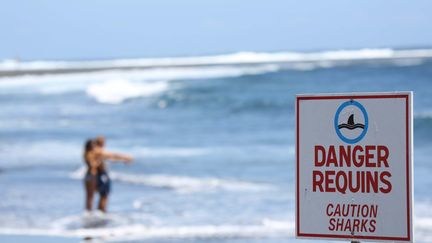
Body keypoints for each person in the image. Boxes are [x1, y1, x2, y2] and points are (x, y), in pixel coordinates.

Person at [83, 137, 133, 212]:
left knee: (90, 198)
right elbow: (112, 155)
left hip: (88, 176)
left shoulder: (86, 153)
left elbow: (111, 157)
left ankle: (89, 214)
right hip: (94, 176)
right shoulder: (97, 152)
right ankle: (99, 214)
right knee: (103, 195)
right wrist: (126, 158)